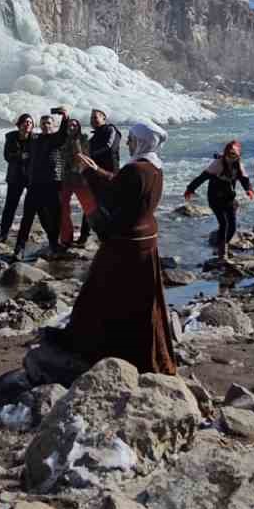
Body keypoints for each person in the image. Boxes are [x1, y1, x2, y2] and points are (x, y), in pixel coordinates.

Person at [66, 122, 179, 374]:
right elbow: (121, 185)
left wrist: (87, 173)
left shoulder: (136, 169)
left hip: (126, 241)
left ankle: (99, 348)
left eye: (130, 139)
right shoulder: (154, 166)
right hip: (145, 237)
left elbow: (112, 195)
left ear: (140, 142)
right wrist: (97, 170)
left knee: (103, 292)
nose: (127, 143)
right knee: (140, 298)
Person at [185, 140, 254, 262]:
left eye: (234, 155)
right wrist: (190, 189)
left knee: (232, 227)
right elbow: (202, 177)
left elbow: (244, 179)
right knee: (224, 224)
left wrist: (248, 190)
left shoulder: (238, 165)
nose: (231, 157)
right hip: (215, 198)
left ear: (238, 155)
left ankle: (222, 246)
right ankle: (222, 253)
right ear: (225, 153)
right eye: (229, 154)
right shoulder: (217, 164)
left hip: (229, 198)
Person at [16, 114, 65, 259]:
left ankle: (53, 244)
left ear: (54, 125)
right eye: (43, 123)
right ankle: (19, 248)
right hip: (35, 184)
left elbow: (63, 133)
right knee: (28, 217)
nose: (45, 126)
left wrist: (65, 116)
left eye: (48, 123)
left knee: (53, 216)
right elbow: (20, 137)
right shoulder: (35, 139)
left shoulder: (57, 139)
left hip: (53, 183)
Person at [0, 114, 34, 248]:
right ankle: (3, 233)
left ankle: (27, 235)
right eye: (24, 122)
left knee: (33, 208)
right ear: (19, 125)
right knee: (10, 206)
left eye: (30, 122)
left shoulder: (35, 138)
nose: (27, 124)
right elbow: (7, 156)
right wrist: (22, 156)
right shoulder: (11, 138)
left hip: (31, 178)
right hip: (15, 177)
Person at [58, 118, 99, 247]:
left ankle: (101, 235)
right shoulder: (63, 139)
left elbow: (82, 156)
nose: (72, 127)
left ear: (79, 127)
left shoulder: (84, 138)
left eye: (75, 125)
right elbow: (63, 156)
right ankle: (66, 238)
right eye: (70, 125)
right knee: (63, 208)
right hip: (66, 178)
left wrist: (75, 143)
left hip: (81, 178)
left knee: (90, 208)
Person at [87, 109, 122, 212]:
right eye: (91, 118)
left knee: (110, 208)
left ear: (104, 118)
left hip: (110, 176)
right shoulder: (94, 136)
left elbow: (109, 146)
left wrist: (89, 155)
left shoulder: (111, 129)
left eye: (95, 117)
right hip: (96, 176)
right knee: (92, 207)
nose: (92, 120)